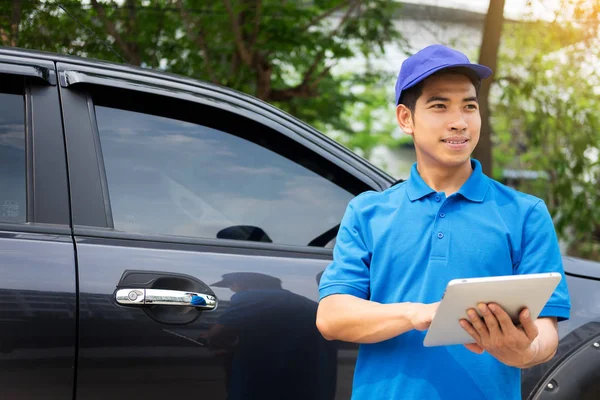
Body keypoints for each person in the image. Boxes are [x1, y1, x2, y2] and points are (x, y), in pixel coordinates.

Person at [316, 44, 571, 400]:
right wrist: (418, 314)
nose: (459, 121)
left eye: (470, 106)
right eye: (439, 106)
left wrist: (520, 350)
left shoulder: (525, 212)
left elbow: (546, 334)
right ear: (406, 118)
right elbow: (332, 317)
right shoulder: (367, 212)